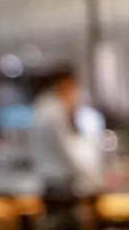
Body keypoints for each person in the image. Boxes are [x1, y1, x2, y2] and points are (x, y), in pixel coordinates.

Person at [27, 66, 104, 197]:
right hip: (59, 183)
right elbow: (65, 151)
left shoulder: (43, 107)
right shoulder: (53, 113)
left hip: (50, 180)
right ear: (65, 84)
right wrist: (92, 177)